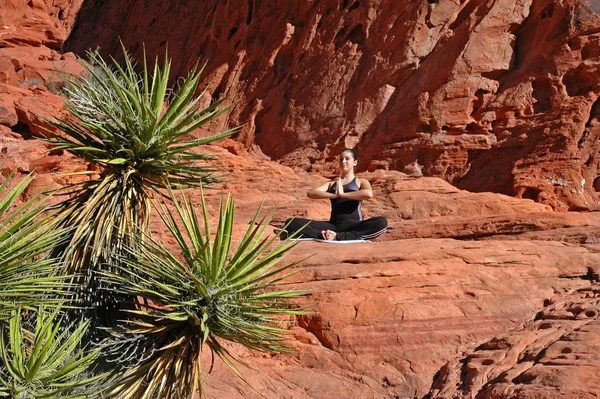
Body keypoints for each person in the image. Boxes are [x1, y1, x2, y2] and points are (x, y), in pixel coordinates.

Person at [283, 148, 387, 241]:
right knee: (291, 222)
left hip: (353, 225)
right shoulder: (332, 183)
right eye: (341, 159)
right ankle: (322, 235)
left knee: (381, 223)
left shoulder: (361, 181)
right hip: (333, 225)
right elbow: (311, 193)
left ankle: (339, 237)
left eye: (347, 159)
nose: (343, 161)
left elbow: (368, 194)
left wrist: (342, 194)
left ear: (355, 162)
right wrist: (333, 195)